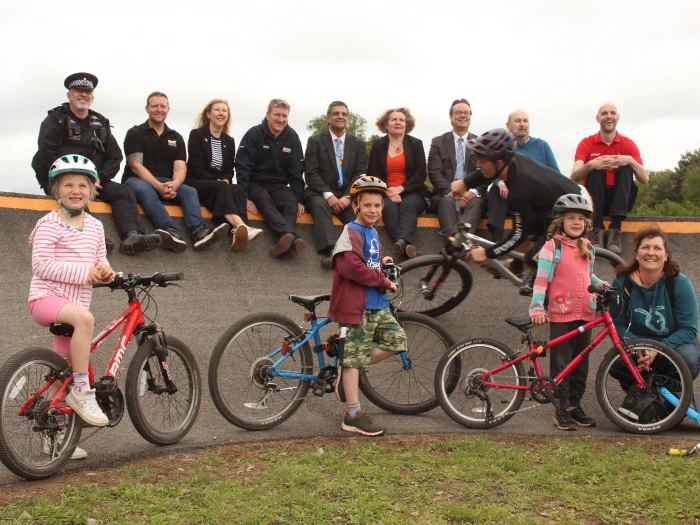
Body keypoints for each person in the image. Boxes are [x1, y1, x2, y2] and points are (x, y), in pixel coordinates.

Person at [29, 155, 115, 459]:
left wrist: (107, 271)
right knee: (85, 320)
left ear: (92, 190)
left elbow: (99, 260)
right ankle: (83, 390)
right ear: (56, 190)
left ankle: (55, 439)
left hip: (75, 304)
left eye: (82, 184)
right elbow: (40, 264)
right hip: (46, 300)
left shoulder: (94, 226)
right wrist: (83, 274)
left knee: (61, 370)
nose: (75, 190)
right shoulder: (49, 224)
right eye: (68, 184)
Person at [31, 72, 161, 256]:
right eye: (78, 91)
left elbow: (115, 156)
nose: (83, 95)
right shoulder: (55, 119)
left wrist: (99, 178)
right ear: (69, 95)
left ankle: (132, 236)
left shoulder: (100, 122)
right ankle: (94, 240)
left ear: (92, 97)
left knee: (123, 192)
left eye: (87, 92)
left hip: (94, 179)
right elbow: (45, 151)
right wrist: (68, 178)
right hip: (60, 179)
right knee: (76, 195)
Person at [451, 128, 582, 292]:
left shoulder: (520, 189)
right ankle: (521, 271)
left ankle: (559, 300)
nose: (478, 164)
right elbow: (488, 172)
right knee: (529, 241)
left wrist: (487, 254)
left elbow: (518, 235)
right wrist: (465, 183)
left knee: (532, 258)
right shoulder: (510, 161)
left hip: (576, 213)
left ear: (499, 163)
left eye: (481, 160)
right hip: (558, 204)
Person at [327, 176, 407, 436]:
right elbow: (350, 266)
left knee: (398, 341)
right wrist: (383, 279)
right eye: (367, 205)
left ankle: (347, 365)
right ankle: (352, 415)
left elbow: (368, 264)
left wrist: (382, 263)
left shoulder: (372, 233)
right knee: (353, 358)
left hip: (377, 305)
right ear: (356, 207)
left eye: (377, 205)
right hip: (357, 307)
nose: (373, 210)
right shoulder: (352, 231)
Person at [529, 194, 605, 431]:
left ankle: (575, 405)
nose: (576, 222)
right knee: (561, 364)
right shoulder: (552, 247)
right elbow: (541, 280)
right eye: (571, 218)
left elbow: (589, 275)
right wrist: (537, 308)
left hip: (586, 314)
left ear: (586, 224)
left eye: (580, 219)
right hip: (562, 315)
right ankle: (561, 408)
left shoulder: (588, 247)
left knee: (581, 363)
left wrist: (604, 285)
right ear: (561, 222)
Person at [609, 226, 700, 419]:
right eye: (646, 247)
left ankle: (656, 402)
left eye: (657, 248)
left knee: (689, 360)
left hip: (673, 346)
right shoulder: (621, 283)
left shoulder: (679, 283)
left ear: (666, 256)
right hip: (637, 346)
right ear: (636, 253)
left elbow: (688, 330)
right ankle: (652, 400)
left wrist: (657, 350)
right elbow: (618, 325)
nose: (651, 253)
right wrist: (638, 348)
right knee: (617, 365)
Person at [122, 92, 228, 252]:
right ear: (147, 109)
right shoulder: (135, 133)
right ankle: (171, 232)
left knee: (189, 191)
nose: (159, 109)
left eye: (163, 106)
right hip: (137, 180)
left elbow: (180, 167)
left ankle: (199, 232)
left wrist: (176, 183)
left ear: (168, 109)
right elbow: (136, 165)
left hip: (166, 181)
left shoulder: (175, 137)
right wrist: (158, 185)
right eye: (155, 106)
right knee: (145, 189)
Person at [571, 103, 649, 254]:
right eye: (604, 113)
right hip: (595, 202)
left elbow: (645, 179)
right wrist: (591, 164)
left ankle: (615, 229)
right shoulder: (586, 143)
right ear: (597, 118)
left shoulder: (628, 144)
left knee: (626, 166)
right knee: (594, 168)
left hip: (621, 201)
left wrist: (630, 160)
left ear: (618, 117)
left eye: (612, 113)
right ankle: (598, 228)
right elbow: (573, 177)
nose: (609, 116)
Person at [186, 99, 263, 252]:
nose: (221, 113)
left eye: (224, 111)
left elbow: (229, 168)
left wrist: (226, 178)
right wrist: (218, 180)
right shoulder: (197, 135)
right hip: (198, 181)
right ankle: (242, 226)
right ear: (208, 114)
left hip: (219, 185)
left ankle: (238, 233)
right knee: (222, 186)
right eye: (217, 110)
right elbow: (196, 166)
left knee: (238, 189)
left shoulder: (229, 140)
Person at [235, 99, 307, 257]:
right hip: (256, 183)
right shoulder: (254, 134)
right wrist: (244, 196)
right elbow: (242, 167)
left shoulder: (292, 137)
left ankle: (282, 241)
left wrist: (299, 199)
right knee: (263, 199)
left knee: (291, 202)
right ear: (267, 115)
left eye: (284, 116)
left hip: (279, 185)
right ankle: (291, 238)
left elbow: (297, 170)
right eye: (277, 115)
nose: (280, 119)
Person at [304, 101, 367, 269]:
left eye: (344, 114)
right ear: (328, 117)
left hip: (347, 193)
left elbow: (360, 174)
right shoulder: (315, 141)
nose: (340, 116)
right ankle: (331, 251)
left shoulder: (358, 144)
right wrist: (329, 196)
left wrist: (347, 197)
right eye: (336, 113)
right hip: (320, 192)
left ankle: (356, 254)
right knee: (319, 205)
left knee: (357, 211)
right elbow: (311, 173)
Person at [368, 107, 429, 258]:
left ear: (406, 125)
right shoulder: (378, 145)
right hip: (385, 191)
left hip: (412, 191)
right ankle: (404, 244)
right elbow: (373, 173)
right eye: (394, 119)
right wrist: (388, 191)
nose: (398, 122)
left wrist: (401, 189)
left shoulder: (416, 144)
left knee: (408, 205)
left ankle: (402, 243)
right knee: (388, 208)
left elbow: (421, 172)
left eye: (401, 120)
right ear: (386, 125)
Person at [428, 99, 487, 236]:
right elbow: (434, 172)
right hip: (446, 195)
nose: (463, 115)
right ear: (451, 117)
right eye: (458, 112)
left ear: (470, 117)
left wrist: (471, 192)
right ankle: (457, 244)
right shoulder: (438, 142)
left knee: (477, 202)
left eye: (466, 113)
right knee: (446, 201)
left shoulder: (480, 143)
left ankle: (457, 244)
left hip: (472, 195)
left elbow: (485, 173)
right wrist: (453, 192)